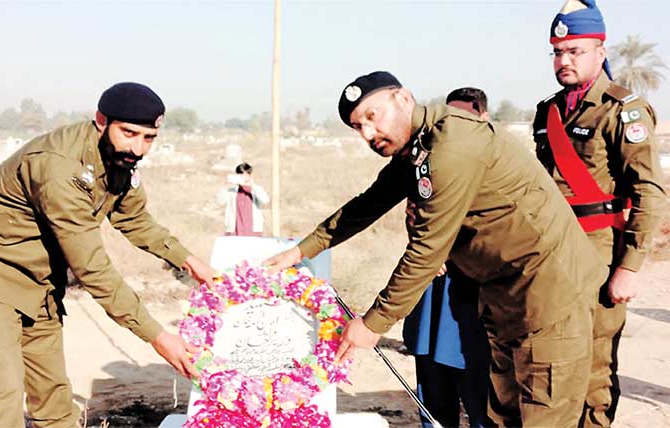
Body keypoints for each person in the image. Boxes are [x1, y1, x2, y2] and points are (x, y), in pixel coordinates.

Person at [265, 71, 608, 427]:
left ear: (404, 99)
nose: (368, 133)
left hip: (549, 289)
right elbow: (368, 204)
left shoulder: (452, 145)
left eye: (372, 116)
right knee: (506, 412)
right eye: (357, 127)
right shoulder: (419, 147)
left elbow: (427, 249)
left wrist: (373, 323)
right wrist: (302, 250)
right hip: (505, 292)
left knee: (544, 413)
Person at [0, 82, 215, 428]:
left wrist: (192, 262)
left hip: (38, 278)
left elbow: (135, 220)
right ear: (101, 120)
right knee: (3, 400)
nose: (138, 148)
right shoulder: (60, 168)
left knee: (53, 396)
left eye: (148, 138)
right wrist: (158, 336)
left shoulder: (120, 160)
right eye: (128, 133)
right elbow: (92, 268)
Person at [534, 1, 666, 426]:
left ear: (600, 52)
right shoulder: (547, 111)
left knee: (593, 365)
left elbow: (650, 191)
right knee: (551, 360)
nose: (564, 60)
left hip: (598, 253)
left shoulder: (622, 110)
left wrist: (629, 267)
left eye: (575, 51)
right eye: (558, 52)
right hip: (550, 255)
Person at [401, 87, 491, 428]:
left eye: (464, 118)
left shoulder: (492, 160)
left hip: (475, 290)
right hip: (435, 286)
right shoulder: (427, 159)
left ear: (482, 118)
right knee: (432, 384)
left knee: (477, 386)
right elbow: (415, 210)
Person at [216, 162, 270, 236]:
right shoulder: (232, 190)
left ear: (249, 175)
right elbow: (219, 202)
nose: (242, 177)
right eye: (240, 175)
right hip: (234, 230)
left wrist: (252, 185)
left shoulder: (255, 189)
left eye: (244, 175)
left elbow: (265, 200)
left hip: (253, 231)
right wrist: (225, 187)